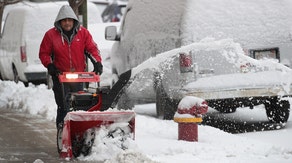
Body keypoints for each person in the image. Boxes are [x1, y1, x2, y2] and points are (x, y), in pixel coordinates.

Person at [39, 5, 103, 128]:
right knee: (64, 106)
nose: (67, 23)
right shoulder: (51, 35)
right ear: (59, 22)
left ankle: (79, 131)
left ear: (74, 20)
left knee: (80, 105)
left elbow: (92, 49)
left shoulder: (83, 33)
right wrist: (50, 65)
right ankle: (62, 133)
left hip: (79, 76)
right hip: (60, 77)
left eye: (69, 20)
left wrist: (97, 62)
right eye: (64, 20)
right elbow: (44, 53)